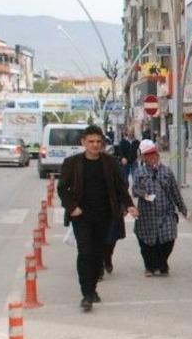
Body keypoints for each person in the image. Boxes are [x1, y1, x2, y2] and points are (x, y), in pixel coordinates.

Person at [58, 125, 137, 312]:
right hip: (81, 217)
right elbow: (63, 188)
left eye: (98, 142)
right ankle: (86, 294)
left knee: (98, 254)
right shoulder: (72, 163)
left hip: (104, 216)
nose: (95, 145)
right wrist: (72, 208)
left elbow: (120, 186)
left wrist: (129, 205)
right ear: (83, 142)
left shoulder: (110, 162)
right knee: (85, 252)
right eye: (91, 142)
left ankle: (92, 288)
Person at [131, 139, 187, 276]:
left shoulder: (167, 172)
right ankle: (149, 266)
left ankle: (162, 262)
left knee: (168, 239)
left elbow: (175, 191)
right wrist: (143, 194)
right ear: (143, 157)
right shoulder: (139, 172)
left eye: (154, 154)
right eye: (148, 155)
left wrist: (182, 208)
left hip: (166, 212)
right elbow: (134, 190)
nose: (152, 157)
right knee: (146, 242)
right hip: (146, 213)